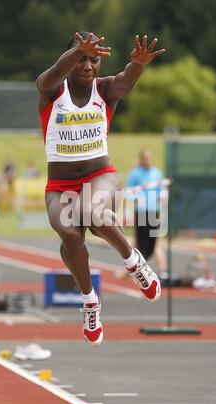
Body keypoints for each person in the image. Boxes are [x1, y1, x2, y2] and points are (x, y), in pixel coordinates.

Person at [36, 31, 166, 346]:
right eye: (81, 58)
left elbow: (125, 80)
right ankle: (90, 302)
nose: (88, 65)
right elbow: (51, 75)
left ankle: (134, 261)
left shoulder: (104, 90)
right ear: (68, 59)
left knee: (92, 213)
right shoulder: (52, 91)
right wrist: (75, 52)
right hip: (60, 184)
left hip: (100, 175)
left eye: (94, 59)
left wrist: (137, 65)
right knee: (70, 235)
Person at [123, 150, 167, 282]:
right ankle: (135, 271)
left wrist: (163, 197)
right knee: (140, 243)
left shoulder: (157, 173)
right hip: (141, 212)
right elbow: (128, 191)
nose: (148, 160)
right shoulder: (135, 174)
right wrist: (137, 198)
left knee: (155, 241)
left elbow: (162, 190)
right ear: (141, 159)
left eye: (150, 158)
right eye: (146, 158)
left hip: (154, 211)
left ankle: (162, 271)